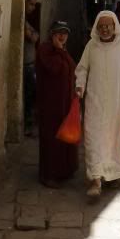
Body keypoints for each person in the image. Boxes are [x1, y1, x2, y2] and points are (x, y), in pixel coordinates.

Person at [75, 10, 120, 199]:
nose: (105, 29)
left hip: (117, 102)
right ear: (97, 28)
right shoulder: (92, 46)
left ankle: (113, 175)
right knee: (93, 139)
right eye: (102, 26)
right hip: (95, 102)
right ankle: (95, 179)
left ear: (115, 27)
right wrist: (79, 86)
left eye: (108, 26)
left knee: (116, 139)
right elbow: (82, 68)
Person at [35, 20, 78, 188]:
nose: (62, 36)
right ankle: (48, 175)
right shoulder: (45, 50)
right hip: (50, 104)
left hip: (64, 102)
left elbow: (72, 67)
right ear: (52, 34)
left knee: (64, 135)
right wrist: (59, 50)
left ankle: (64, 170)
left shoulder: (62, 51)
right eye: (58, 32)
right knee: (51, 137)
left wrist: (61, 51)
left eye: (65, 33)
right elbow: (55, 69)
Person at [23, 0, 39, 136]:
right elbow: (33, 37)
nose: (33, 8)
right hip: (26, 66)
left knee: (30, 96)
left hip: (29, 64)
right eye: (31, 4)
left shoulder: (26, 21)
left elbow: (34, 36)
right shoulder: (23, 21)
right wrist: (33, 34)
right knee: (28, 98)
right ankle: (26, 127)